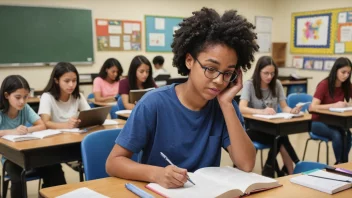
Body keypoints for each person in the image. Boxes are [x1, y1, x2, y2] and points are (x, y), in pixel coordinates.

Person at [106, 7, 258, 189]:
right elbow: (113, 162)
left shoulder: (225, 108)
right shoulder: (153, 103)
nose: (219, 81)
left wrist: (226, 104)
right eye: (210, 68)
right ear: (189, 61)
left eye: (228, 73)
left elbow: (247, 164)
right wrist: (156, 174)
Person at [0, 75, 66, 198]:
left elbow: (42, 125)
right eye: (18, 97)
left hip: (29, 153)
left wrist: (26, 129)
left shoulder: (25, 108)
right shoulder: (1, 111)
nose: (22, 101)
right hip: (10, 158)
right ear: (6, 95)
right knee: (18, 178)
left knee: (55, 168)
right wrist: (12, 131)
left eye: (25, 97)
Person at [239, 56, 301, 177]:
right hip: (253, 129)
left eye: (272, 73)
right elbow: (241, 108)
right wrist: (262, 112)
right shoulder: (250, 85)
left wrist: (293, 111)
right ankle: (290, 168)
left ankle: (275, 167)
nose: (269, 77)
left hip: (271, 128)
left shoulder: (276, 84)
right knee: (280, 137)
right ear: (258, 71)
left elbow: (284, 107)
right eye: (266, 73)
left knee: (280, 135)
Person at [310, 57, 352, 164]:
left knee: (347, 134)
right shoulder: (324, 84)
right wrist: (334, 105)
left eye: (348, 73)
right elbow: (312, 107)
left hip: (335, 121)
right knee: (337, 134)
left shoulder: (347, 85)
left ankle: (343, 164)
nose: (346, 75)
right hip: (318, 122)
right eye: (343, 72)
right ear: (335, 70)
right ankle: (340, 163)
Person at [38, 62, 91, 129]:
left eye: (74, 80)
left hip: (75, 134)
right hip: (55, 137)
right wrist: (66, 125)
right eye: (66, 81)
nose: (71, 85)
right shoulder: (47, 97)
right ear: (56, 80)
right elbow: (45, 123)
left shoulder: (78, 95)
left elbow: (90, 116)